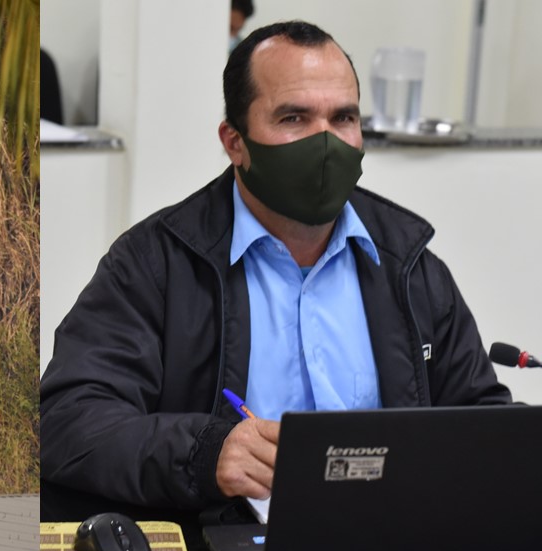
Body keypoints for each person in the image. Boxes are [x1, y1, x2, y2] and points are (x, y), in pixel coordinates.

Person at [40, 21, 511, 521]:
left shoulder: (409, 267)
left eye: (343, 117)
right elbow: (68, 420)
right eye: (294, 118)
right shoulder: (158, 264)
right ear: (234, 142)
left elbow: (486, 424)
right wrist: (205, 453)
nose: (326, 142)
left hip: (390, 548)